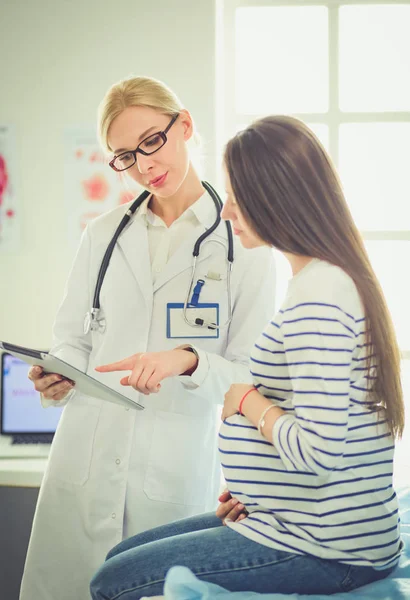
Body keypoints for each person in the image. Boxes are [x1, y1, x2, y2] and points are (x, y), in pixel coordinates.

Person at [90, 115, 404, 599]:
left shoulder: (319, 297)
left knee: (111, 582)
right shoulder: (323, 280)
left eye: (238, 196)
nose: (228, 211)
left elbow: (319, 454)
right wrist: (261, 496)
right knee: (116, 560)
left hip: (328, 550)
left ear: (275, 197)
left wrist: (248, 399)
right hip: (298, 521)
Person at [20, 77, 275, 600]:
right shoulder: (104, 234)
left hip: (178, 468)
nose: (142, 166)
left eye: (152, 142)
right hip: (85, 462)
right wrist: (58, 375)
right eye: (124, 156)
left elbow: (252, 375)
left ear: (184, 125)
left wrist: (187, 361)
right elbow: (73, 340)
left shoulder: (244, 240)